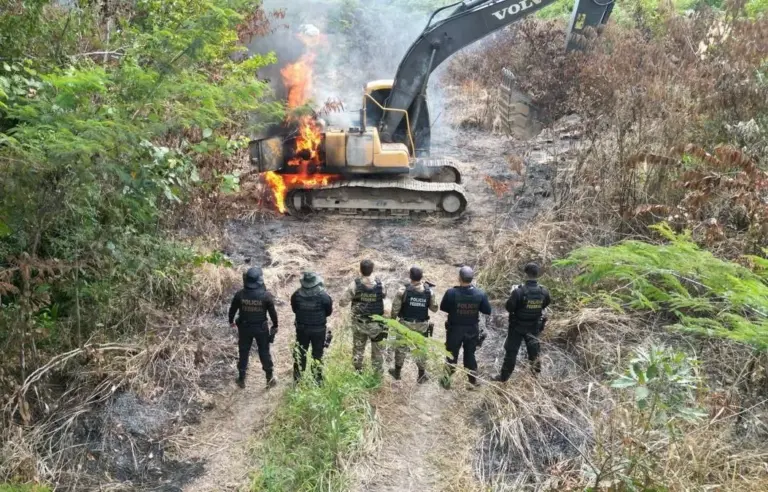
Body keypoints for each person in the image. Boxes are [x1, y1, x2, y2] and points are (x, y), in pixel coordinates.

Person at [493, 263, 551, 382]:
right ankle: (535, 377)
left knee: (511, 352)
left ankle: (504, 377)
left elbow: (509, 308)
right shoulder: (543, 292)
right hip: (534, 326)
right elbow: (545, 304)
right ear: (537, 274)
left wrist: (512, 294)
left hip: (517, 327)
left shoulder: (518, 292)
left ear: (526, 274)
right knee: (534, 351)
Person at [439, 266, 492, 387]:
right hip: (472, 330)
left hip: (455, 329)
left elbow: (443, 307)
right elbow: (487, 310)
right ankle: (472, 382)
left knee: (451, 355)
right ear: (471, 279)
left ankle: (446, 382)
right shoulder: (480, 293)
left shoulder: (451, 293)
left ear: (459, 278)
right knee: (470, 355)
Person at [228, 267, 279, 389]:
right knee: (264, 352)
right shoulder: (266, 296)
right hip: (261, 329)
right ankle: (269, 377)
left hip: (244, 328)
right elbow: (273, 314)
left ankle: (241, 379)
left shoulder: (240, 295)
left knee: (243, 351)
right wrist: (275, 325)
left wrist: (231, 322)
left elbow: (232, 310)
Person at [389, 266, 439, 383]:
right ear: (421, 277)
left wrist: (392, 321)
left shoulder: (403, 290)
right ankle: (421, 376)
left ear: (410, 277)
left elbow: (395, 309)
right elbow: (434, 309)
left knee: (401, 348)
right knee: (421, 349)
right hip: (421, 325)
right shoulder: (428, 292)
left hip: (405, 324)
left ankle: (397, 373)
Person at [340, 259, 388, 375]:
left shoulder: (354, 285)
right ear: (372, 270)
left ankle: (358, 372)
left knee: (358, 349)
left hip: (359, 324)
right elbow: (384, 295)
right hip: (376, 325)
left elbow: (342, 302)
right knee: (378, 352)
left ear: (360, 270)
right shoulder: (380, 284)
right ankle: (377, 375)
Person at [290, 271, 333, 383]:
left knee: (300, 353)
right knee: (317, 354)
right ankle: (317, 380)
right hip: (318, 330)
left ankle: (298, 380)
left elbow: (295, 310)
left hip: (301, 329)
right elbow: (328, 312)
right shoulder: (324, 296)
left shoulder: (296, 295)